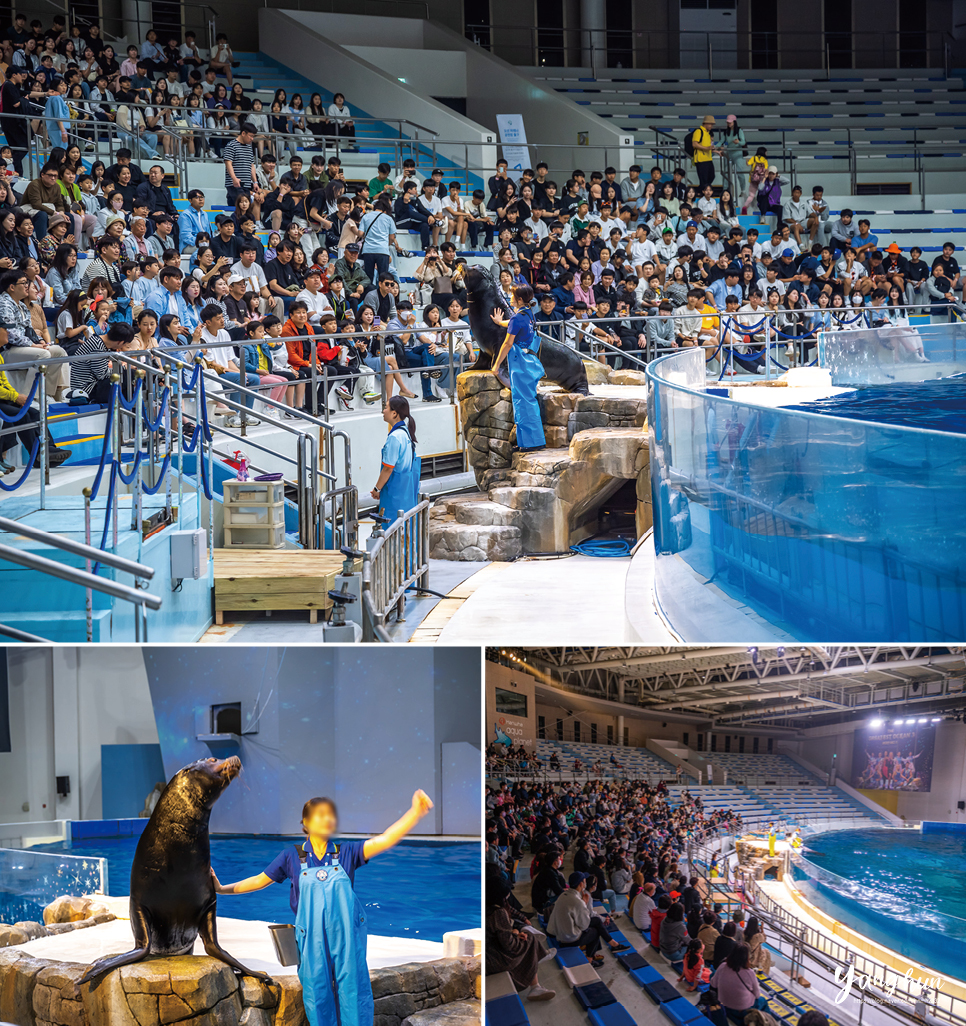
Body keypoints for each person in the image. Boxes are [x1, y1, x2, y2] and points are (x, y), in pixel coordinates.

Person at [214, 790, 434, 1026]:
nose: (327, 819)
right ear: (306, 823)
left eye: (330, 815)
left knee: (354, 990)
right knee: (317, 994)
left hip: (346, 937)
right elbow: (259, 880)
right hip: (311, 940)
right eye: (320, 815)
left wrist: (415, 813)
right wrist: (221, 888)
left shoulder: (346, 853)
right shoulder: (292, 856)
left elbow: (385, 839)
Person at [488, 283, 545, 452]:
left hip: (520, 363)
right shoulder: (529, 314)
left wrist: (496, 365)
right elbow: (515, 323)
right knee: (528, 400)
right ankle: (530, 441)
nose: (511, 298)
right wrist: (500, 322)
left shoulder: (517, 317)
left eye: (513, 295)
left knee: (523, 402)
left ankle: (531, 443)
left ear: (519, 299)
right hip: (530, 361)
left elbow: (507, 343)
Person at [486, 871, 556, 1003]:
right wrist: (516, 934)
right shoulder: (498, 913)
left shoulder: (487, 907)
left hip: (490, 951)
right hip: (494, 958)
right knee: (530, 939)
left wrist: (515, 932)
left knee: (527, 938)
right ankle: (535, 982)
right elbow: (509, 945)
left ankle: (538, 961)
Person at [546, 872, 627, 969]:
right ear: (581, 884)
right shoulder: (577, 902)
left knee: (596, 921)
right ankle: (590, 959)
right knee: (596, 931)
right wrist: (584, 903)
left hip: (560, 932)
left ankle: (612, 945)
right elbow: (584, 925)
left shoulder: (563, 895)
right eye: (584, 881)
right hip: (568, 938)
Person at [370, 395, 419, 523]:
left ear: (394, 413)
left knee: (391, 528)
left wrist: (377, 489)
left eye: (386, 408)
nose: (383, 411)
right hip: (406, 493)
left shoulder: (395, 437)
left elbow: (388, 468)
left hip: (394, 494)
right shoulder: (405, 433)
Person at [711, 943, 767, 1022]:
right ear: (747, 958)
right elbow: (757, 995)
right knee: (763, 1001)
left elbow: (713, 984)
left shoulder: (722, 966)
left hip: (724, 1004)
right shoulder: (750, 973)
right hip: (743, 1009)